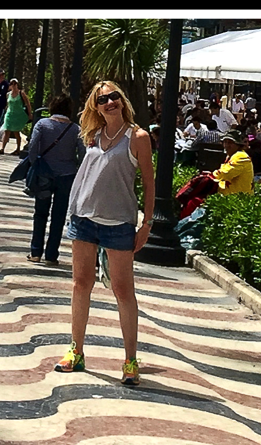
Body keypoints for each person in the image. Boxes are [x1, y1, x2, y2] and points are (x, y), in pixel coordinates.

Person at [54, 80, 155, 387]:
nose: (109, 103)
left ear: (122, 100)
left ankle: (130, 360)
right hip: (84, 219)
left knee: (123, 291)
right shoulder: (93, 135)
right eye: (102, 100)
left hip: (119, 223)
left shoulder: (138, 137)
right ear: (94, 107)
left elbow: (149, 183)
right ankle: (76, 350)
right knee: (80, 284)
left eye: (114, 97)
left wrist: (147, 223)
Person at [25, 94, 83, 266]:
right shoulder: (75, 129)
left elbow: (32, 147)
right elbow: (83, 153)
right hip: (66, 176)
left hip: (44, 175)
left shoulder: (42, 125)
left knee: (40, 213)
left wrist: (36, 164)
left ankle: (35, 252)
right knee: (59, 216)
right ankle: (51, 255)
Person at [210, 129, 254, 195]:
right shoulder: (230, 156)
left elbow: (225, 173)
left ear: (238, 144)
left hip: (238, 200)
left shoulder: (241, 156)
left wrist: (208, 176)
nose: (226, 145)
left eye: (230, 143)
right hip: (228, 197)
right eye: (225, 142)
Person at [0, 78, 32, 155]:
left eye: (15, 83)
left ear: (17, 84)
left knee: (16, 132)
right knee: (7, 131)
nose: (13, 85)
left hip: (18, 115)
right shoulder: (8, 94)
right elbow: (7, 105)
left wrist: (30, 114)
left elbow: (27, 104)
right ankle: (2, 148)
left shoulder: (21, 94)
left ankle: (18, 149)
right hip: (9, 115)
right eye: (11, 84)